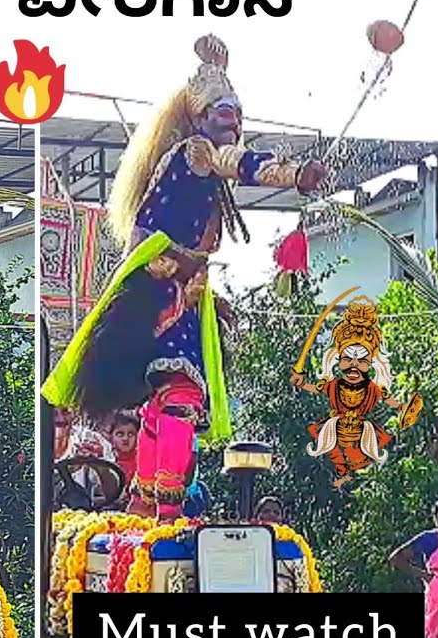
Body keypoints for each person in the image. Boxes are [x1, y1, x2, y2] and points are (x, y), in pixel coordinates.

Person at [42, 34, 327, 520]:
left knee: (167, 401)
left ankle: (144, 504)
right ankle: (166, 513)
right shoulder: (196, 153)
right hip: (161, 290)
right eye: (221, 112)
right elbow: (241, 163)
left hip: (176, 291)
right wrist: (295, 174)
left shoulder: (197, 165)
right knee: (180, 397)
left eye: (235, 114)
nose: (231, 121)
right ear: (197, 119)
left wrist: (209, 300)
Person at [290, 297, 421, 489]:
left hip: (361, 430)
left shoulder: (372, 389)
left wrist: (404, 408)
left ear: (370, 364)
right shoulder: (334, 385)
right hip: (337, 427)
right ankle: (342, 474)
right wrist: (301, 383)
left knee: (363, 454)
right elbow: (316, 388)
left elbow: (390, 401)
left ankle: (354, 477)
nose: (354, 366)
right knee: (332, 443)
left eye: (361, 361)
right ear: (338, 360)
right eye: (348, 360)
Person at [391, 498, 438, 584]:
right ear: (436, 518)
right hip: (437, 592)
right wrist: (425, 576)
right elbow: (396, 558)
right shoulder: (428, 539)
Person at [107, 410, 140, 490]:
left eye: (130, 434)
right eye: (120, 434)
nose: (125, 439)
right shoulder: (107, 461)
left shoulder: (143, 462)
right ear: (110, 437)